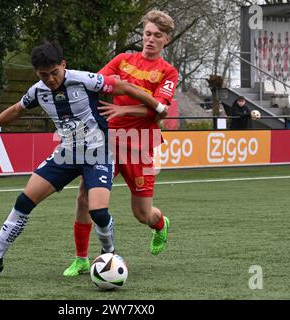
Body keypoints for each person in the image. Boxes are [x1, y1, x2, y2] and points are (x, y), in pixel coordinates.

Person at [0, 41, 168, 274]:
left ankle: (108, 255)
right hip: (66, 154)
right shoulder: (37, 91)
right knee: (23, 202)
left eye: (54, 73)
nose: (50, 79)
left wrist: (158, 108)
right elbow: (17, 110)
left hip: (98, 153)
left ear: (63, 64)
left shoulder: (84, 79)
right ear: (36, 73)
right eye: (44, 75)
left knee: (98, 212)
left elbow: (125, 87)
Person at [63, 10, 179, 277]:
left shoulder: (168, 72)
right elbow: (98, 84)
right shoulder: (122, 59)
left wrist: (124, 110)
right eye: (147, 34)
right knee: (84, 196)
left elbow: (160, 111)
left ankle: (161, 225)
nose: (150, 39)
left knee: (142, 213)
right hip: (108, 142)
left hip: (141, 145)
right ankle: (81, 259)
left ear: (166, 40)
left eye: (157, 36)